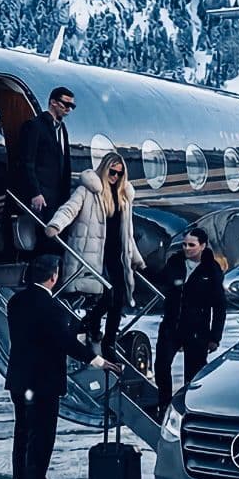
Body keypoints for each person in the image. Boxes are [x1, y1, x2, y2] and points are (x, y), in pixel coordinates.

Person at [5, 255, 122, 479]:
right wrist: (96, 359)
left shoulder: (16, 301)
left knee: (22, 437)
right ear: (53, 276)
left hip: (20, 380)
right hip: (43, 383)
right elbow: (64, 341)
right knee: (40, 440)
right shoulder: (51, 307)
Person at [44, 152, 144, 360]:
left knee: (118, 299)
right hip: (94, 254)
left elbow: (127, 234)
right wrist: (55, 225)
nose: (115, 176)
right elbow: (69, 209)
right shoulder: (87, 191)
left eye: (119, 173)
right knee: (106, 295)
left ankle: (109, 343)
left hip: (116, 255)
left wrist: (136, 258)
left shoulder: (124, 198)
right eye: (112, 171)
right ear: (104, 168)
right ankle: (92, 323)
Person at [154, 227, 226, 418]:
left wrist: (215, 337)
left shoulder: (211, 269)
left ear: (202, 246)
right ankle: (164, 405)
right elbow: (162, 278)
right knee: (161, 366)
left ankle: (189, 410)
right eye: (185, 245)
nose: (187, 249)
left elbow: (219, 306)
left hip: (197, 329)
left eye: (191, 245)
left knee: (192, 373)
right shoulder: (175, 262)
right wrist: (141, 269)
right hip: (171, 324)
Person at [12, 87, 75, 227]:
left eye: (72, 106)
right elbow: (27, 162)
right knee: (42, 237)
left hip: (58, 197)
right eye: (66, 104)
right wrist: (35, 192)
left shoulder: (62, 129)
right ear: (53, 102)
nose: (69, 109)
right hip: (42, 196)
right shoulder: (35, 126)